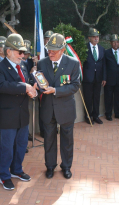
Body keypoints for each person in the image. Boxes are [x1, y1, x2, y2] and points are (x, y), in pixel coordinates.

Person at [0, 34, 37, 190]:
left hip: (22, 113)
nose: (22, 55)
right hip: (8, 115)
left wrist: (33, 90)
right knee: (7, 147)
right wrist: (25, 87)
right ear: (8, 51)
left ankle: (16, 170)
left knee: (21, 144)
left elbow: (29, 84)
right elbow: (2, 86)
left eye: (23, 52)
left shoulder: (23, 65)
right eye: (19, 52)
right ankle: (4, 176)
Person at [37, 33, 80, 179]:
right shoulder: (42, 63)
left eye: (54, 51)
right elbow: (40, 82)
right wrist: (36, 85)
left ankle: (66, 167)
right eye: (49, 49)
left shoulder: (73, 63)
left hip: (66, 109)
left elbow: (75, 86)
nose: (50, 53)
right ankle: (50, 166)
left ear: (62, 50)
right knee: (49, 139)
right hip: (48, 109)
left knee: (67, 140)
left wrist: (55, 90)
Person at [82, 28, 106, 124]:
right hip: (88, 78)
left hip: (98, 78)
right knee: (88, 98)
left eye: (97, 37)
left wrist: (104, 78)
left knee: (96, 97)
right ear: (89, 38)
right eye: (94, 37)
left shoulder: (101, 49)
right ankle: (88, 116)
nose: (96, 38)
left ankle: (96, 116)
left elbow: (104, 64)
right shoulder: (84, 48)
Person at [104, 34, 119, 121]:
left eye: (117, 42)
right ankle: (108, 114)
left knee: (118, 98)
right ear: (110, 43)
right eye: (113, 42)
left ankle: (118, 113)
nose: (115, 44)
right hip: (109, 80)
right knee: (108, 98)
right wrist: (104, 78)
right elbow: (104, 67)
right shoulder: (107, 53)